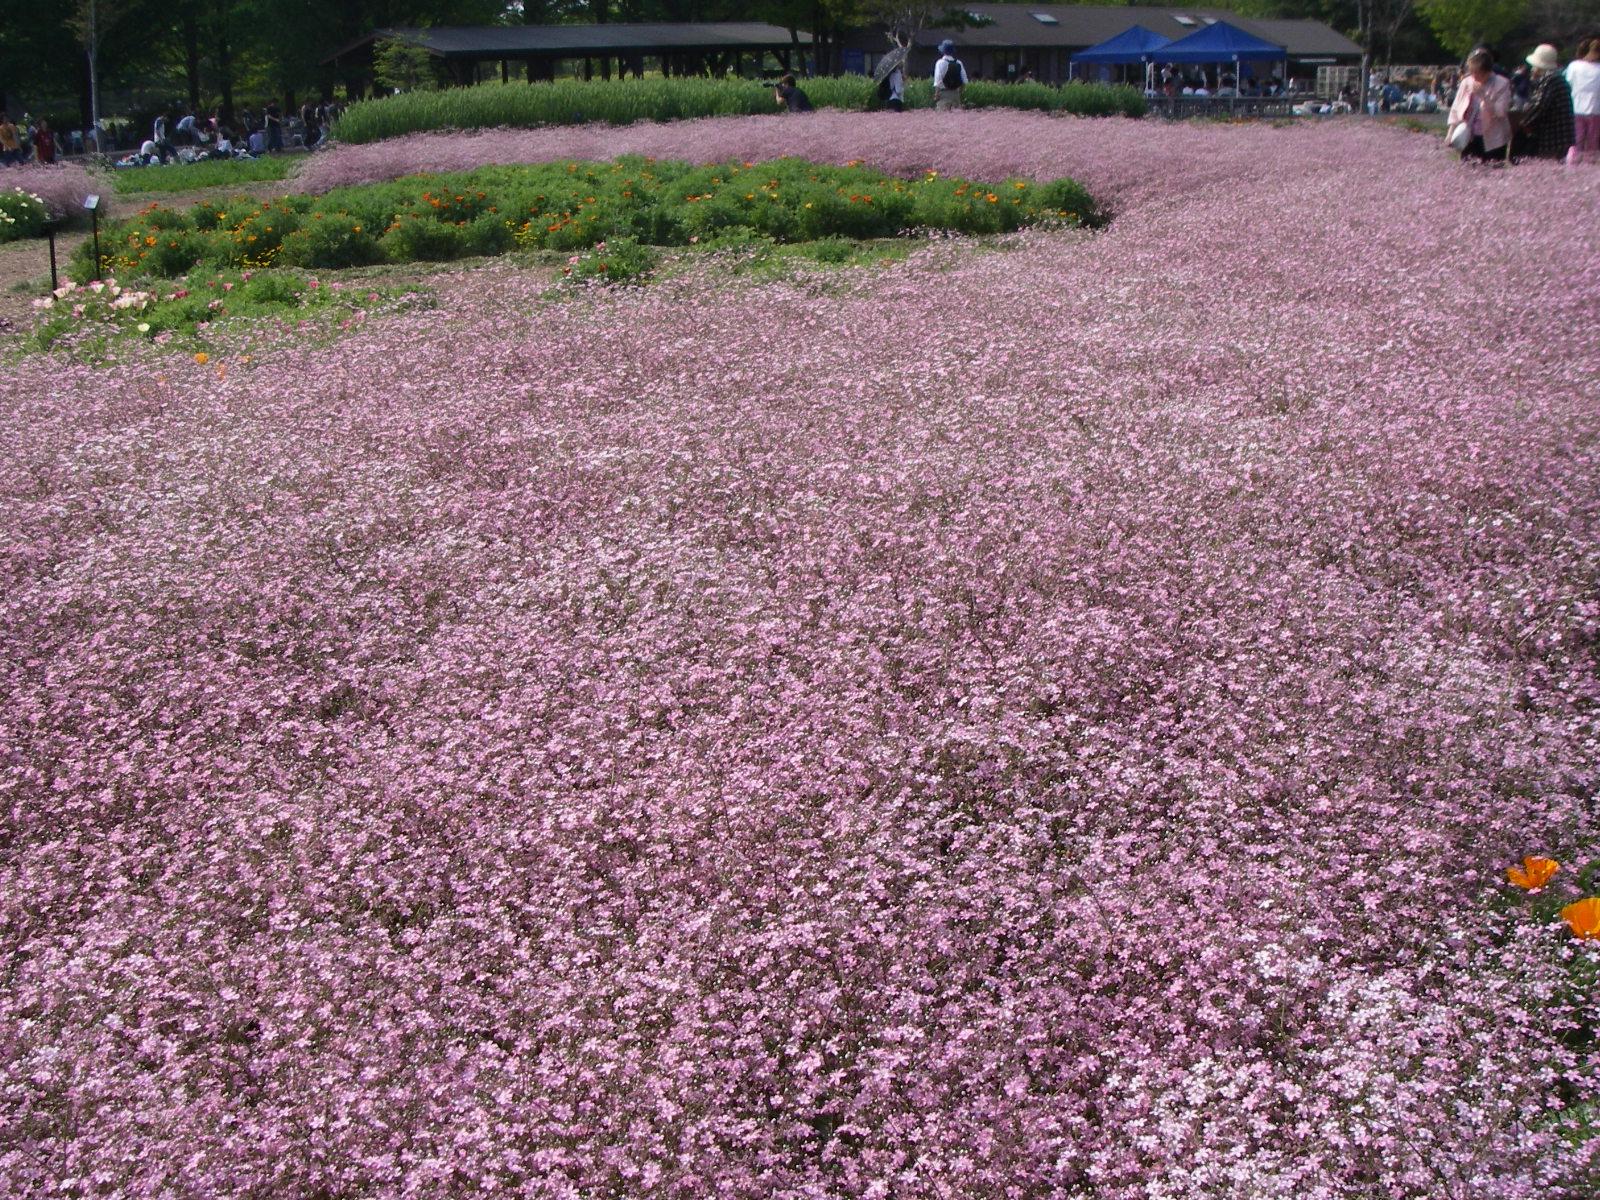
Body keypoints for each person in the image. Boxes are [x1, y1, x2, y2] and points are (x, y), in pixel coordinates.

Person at [1448, 46, 1512, 163]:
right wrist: (1451, 132)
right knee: (1467, 169)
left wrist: (1483, 96)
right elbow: (1456, 107)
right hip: (1469, 136)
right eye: (1472, 72)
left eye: (1478, 73)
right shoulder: (1467, 82)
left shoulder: (1502, 83)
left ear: (1487, 71)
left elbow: (1500, 112)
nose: (1474, 76)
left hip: (1493, 139)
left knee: (1493, 169)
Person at [1514, 44, 1575, 160]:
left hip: (1554, 136)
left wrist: (1522, 123)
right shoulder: (1557, 78)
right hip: (1562, 136)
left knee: (1549, 164)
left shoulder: (1550, 80)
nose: (1532, 69)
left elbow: (1539, 107)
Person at [1567, 36, 1600, 164]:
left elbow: (1568, 83)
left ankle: (1574, 163)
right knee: (1593, 141)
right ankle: (1590, 164)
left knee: (1577, 140)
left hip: (1576, 107)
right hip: (1595, 109)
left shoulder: (1574, 66)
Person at [933, 39, 966, 110]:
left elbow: (938, 81)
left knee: (943, 115)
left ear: (943, 51)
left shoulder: (940, 63)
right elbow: (964, 81)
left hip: (943, 94)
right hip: (956, 94)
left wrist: (936, 94)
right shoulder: (959, 63)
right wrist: (959, 93)